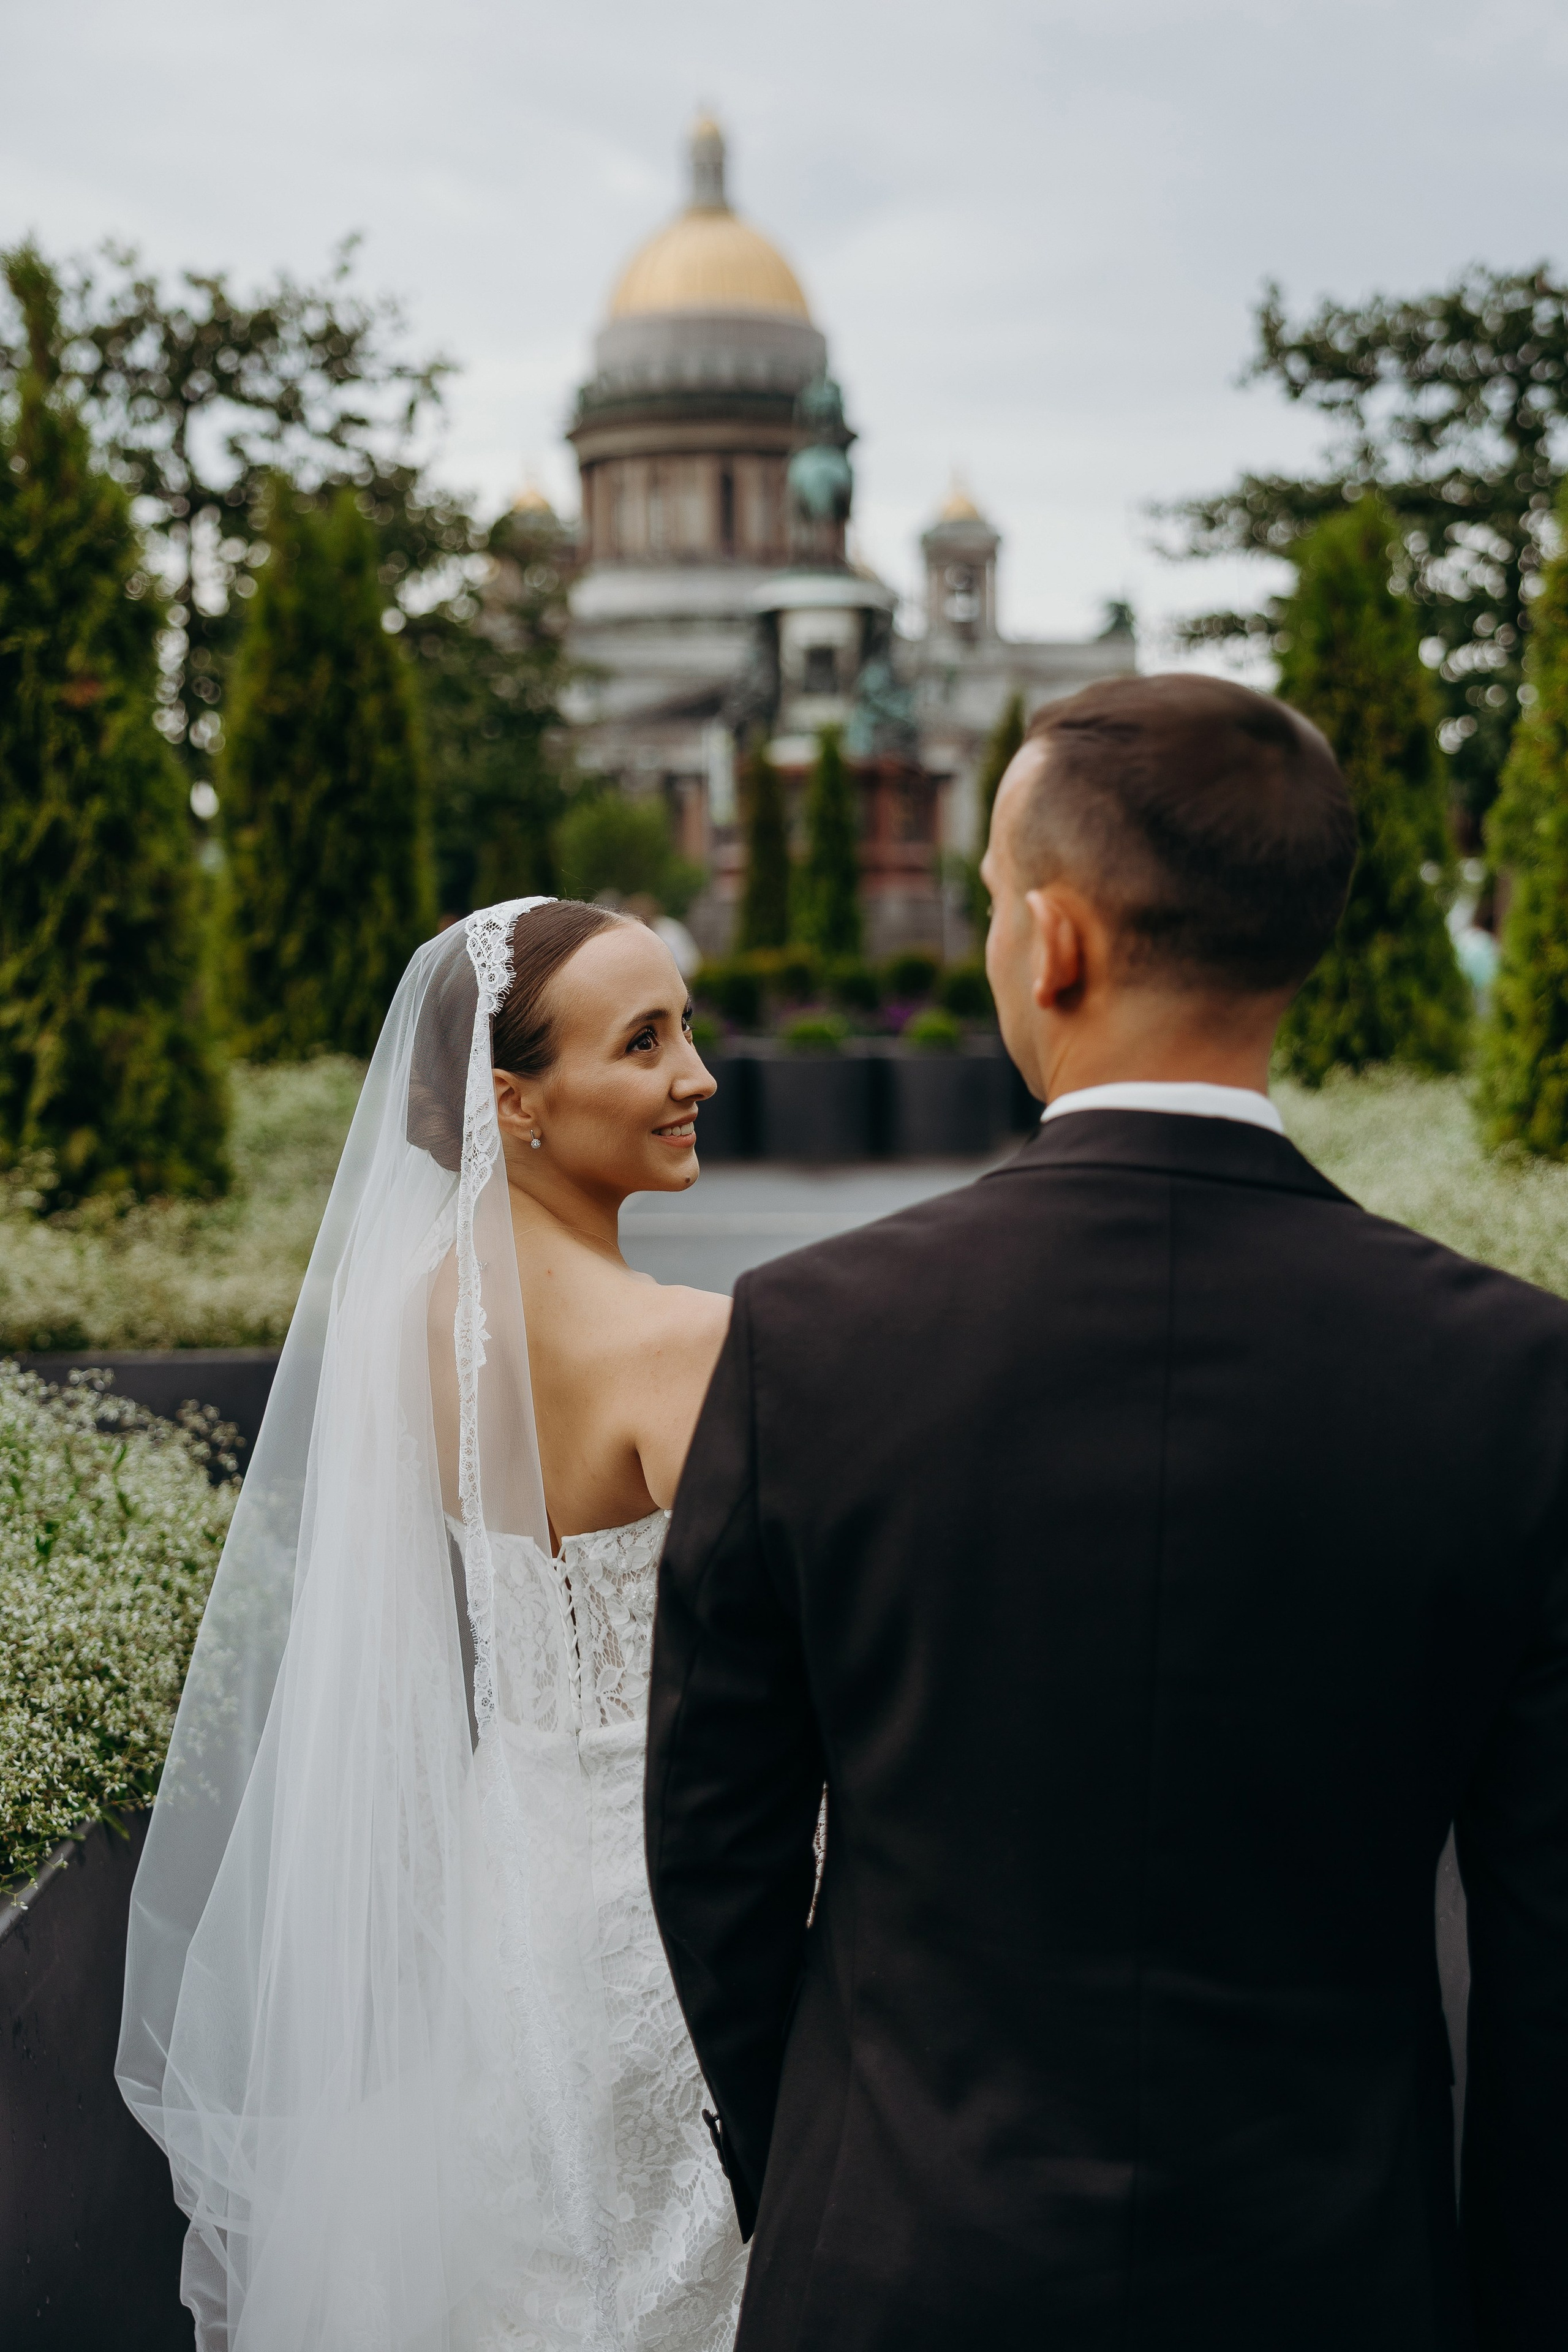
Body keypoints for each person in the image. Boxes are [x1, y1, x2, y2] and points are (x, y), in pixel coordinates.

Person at [646, 673, 1568, 2351]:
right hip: (1337, 2281)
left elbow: (715, 1852)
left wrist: (831, 2179)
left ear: (1050, 943)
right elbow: (1550, 1944)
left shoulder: (809, 1341)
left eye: (996, 896)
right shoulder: (1516, 1376)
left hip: (895, 2271)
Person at [118, 898, 748, 2350]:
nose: (695, 1074)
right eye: (644, 1041)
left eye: (685, 1029)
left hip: (502, 1881)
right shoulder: (681, 1346)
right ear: (513, 1102)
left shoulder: (406, 1314)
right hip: (680, 1905)